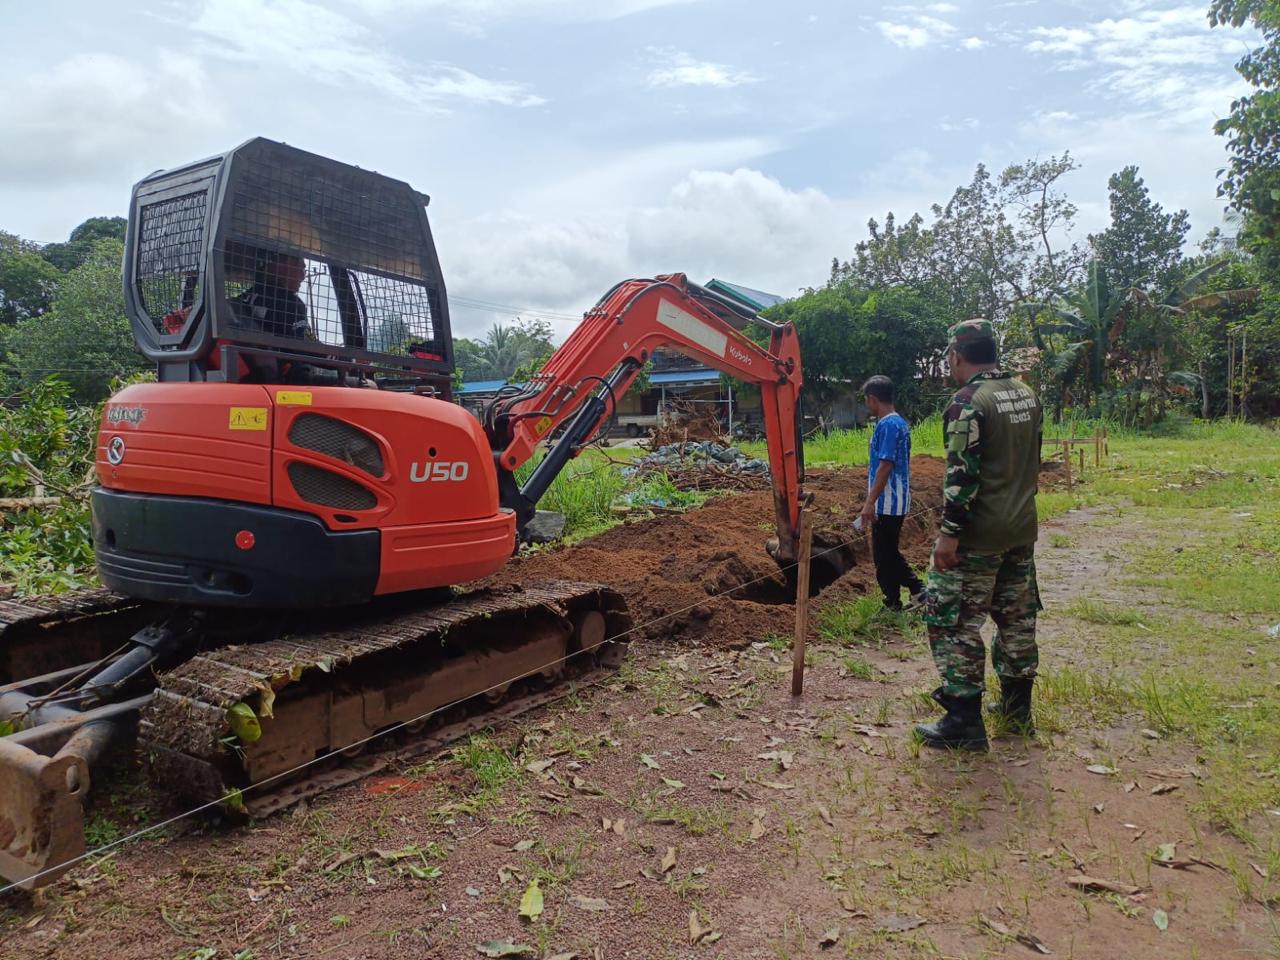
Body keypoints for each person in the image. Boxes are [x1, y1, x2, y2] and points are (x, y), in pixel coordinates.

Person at [914, 319, 1043, 752]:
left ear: (956, 355)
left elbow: (960, 477)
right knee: (1017, 619)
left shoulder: (967, 402)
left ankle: (963, 721)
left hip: (978, 536)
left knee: (951, 623)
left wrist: (948, 535)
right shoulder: (1025, 395)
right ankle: (1016, 709)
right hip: (1021, 529)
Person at [857, 376, 925, 612]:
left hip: (888, 502)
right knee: (886, 554)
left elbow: (885, 465)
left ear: (873, 399)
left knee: (886, 555)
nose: (868, 405)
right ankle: (893, 601)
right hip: (895, 500)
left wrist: (870, 502)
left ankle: (918, 590)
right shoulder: (899, 424)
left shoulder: (887, 425)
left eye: (867, 401)